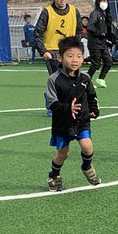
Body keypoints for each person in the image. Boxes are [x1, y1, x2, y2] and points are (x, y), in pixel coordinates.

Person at [45, 36, 100, 191]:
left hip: (82, 121)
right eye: (70, 56)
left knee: (87, 146)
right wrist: (67, 108)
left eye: (79, 56)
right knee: (63, 154)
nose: (74, 60)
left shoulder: (85, 78)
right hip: (62, 123)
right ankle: (54, 174)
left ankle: (86, 166)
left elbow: (91, 96)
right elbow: (52, 104)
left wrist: (94, 110)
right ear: (60, 57)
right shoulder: (54, 79)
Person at [32, 0, 82, 76]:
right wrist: (44, 51)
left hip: (69, 50)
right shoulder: (47, 12)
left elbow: (79, 31)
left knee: (72, 79)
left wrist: (76, 47)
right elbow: (37, 33)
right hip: (52, 51)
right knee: (56, 80)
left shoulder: (74, 11)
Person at [85, 0, 117, 87]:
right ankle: (86, 81)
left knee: (109, 62)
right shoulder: (95, 13)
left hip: (102, 43)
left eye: (106, 1)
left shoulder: (104, 13)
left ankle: (101, 78)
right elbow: (90, 27)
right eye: (102, 1)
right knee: (96, 64)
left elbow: (108, 25)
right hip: (94, 43)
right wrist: (100, 33)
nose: (104, 3)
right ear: (98, 2)